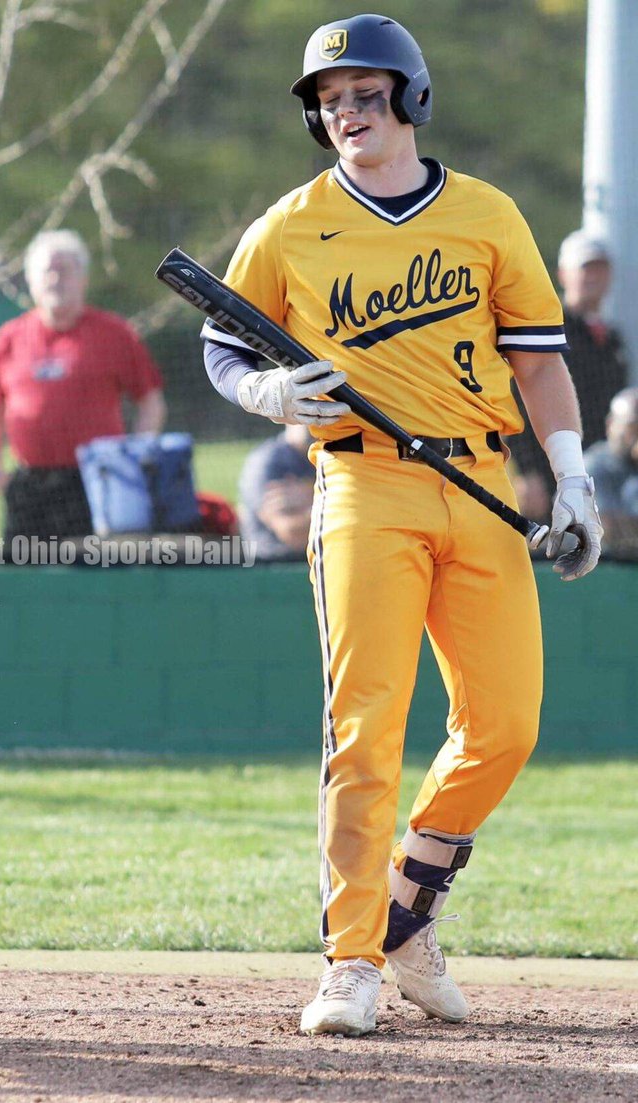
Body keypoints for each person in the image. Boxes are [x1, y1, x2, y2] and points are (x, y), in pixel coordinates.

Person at [201, 14, 602, 1038]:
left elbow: (539, 358)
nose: (346, 113)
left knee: (506, 724)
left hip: (478, 481)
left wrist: (572, 474)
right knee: (365, 731)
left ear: (411, 100)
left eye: (364, 95)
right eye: (330, 101)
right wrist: (273, 396)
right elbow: (222, 341)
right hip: (363, 488)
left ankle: (405, 903)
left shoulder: (485, 213)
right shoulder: (289, 223)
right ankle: (351, 958)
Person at [0, 229, 166, 547]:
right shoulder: (9, 338)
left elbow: (151, 402)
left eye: (65, 270)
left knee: (93, 580)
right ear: (31, 281)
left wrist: (134, 459)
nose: (55, 279)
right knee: (22, 583)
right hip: (30, 485)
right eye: (46, 270)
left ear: (83, 278)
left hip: (97, 481)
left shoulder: (114, 333)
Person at [509, 230, 630, 518]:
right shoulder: (547, 328)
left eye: (599, 268)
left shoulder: (612, 340)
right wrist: (527, 472)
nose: (593, 277)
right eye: (585, 268)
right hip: (549, 468)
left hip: (597, 477)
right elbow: (518, 395)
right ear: (563, 274)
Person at [238, 423, 314, 560]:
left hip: (322, 558)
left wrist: (313, 500)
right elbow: (291, 533)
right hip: (272, 564)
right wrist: (330, 505)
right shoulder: (267, 460)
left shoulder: (333, 455)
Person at [585, 387, 638, 557]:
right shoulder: (593, 465)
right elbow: (608, 530)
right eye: (632, 426)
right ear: (611, 425)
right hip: (601, 572)